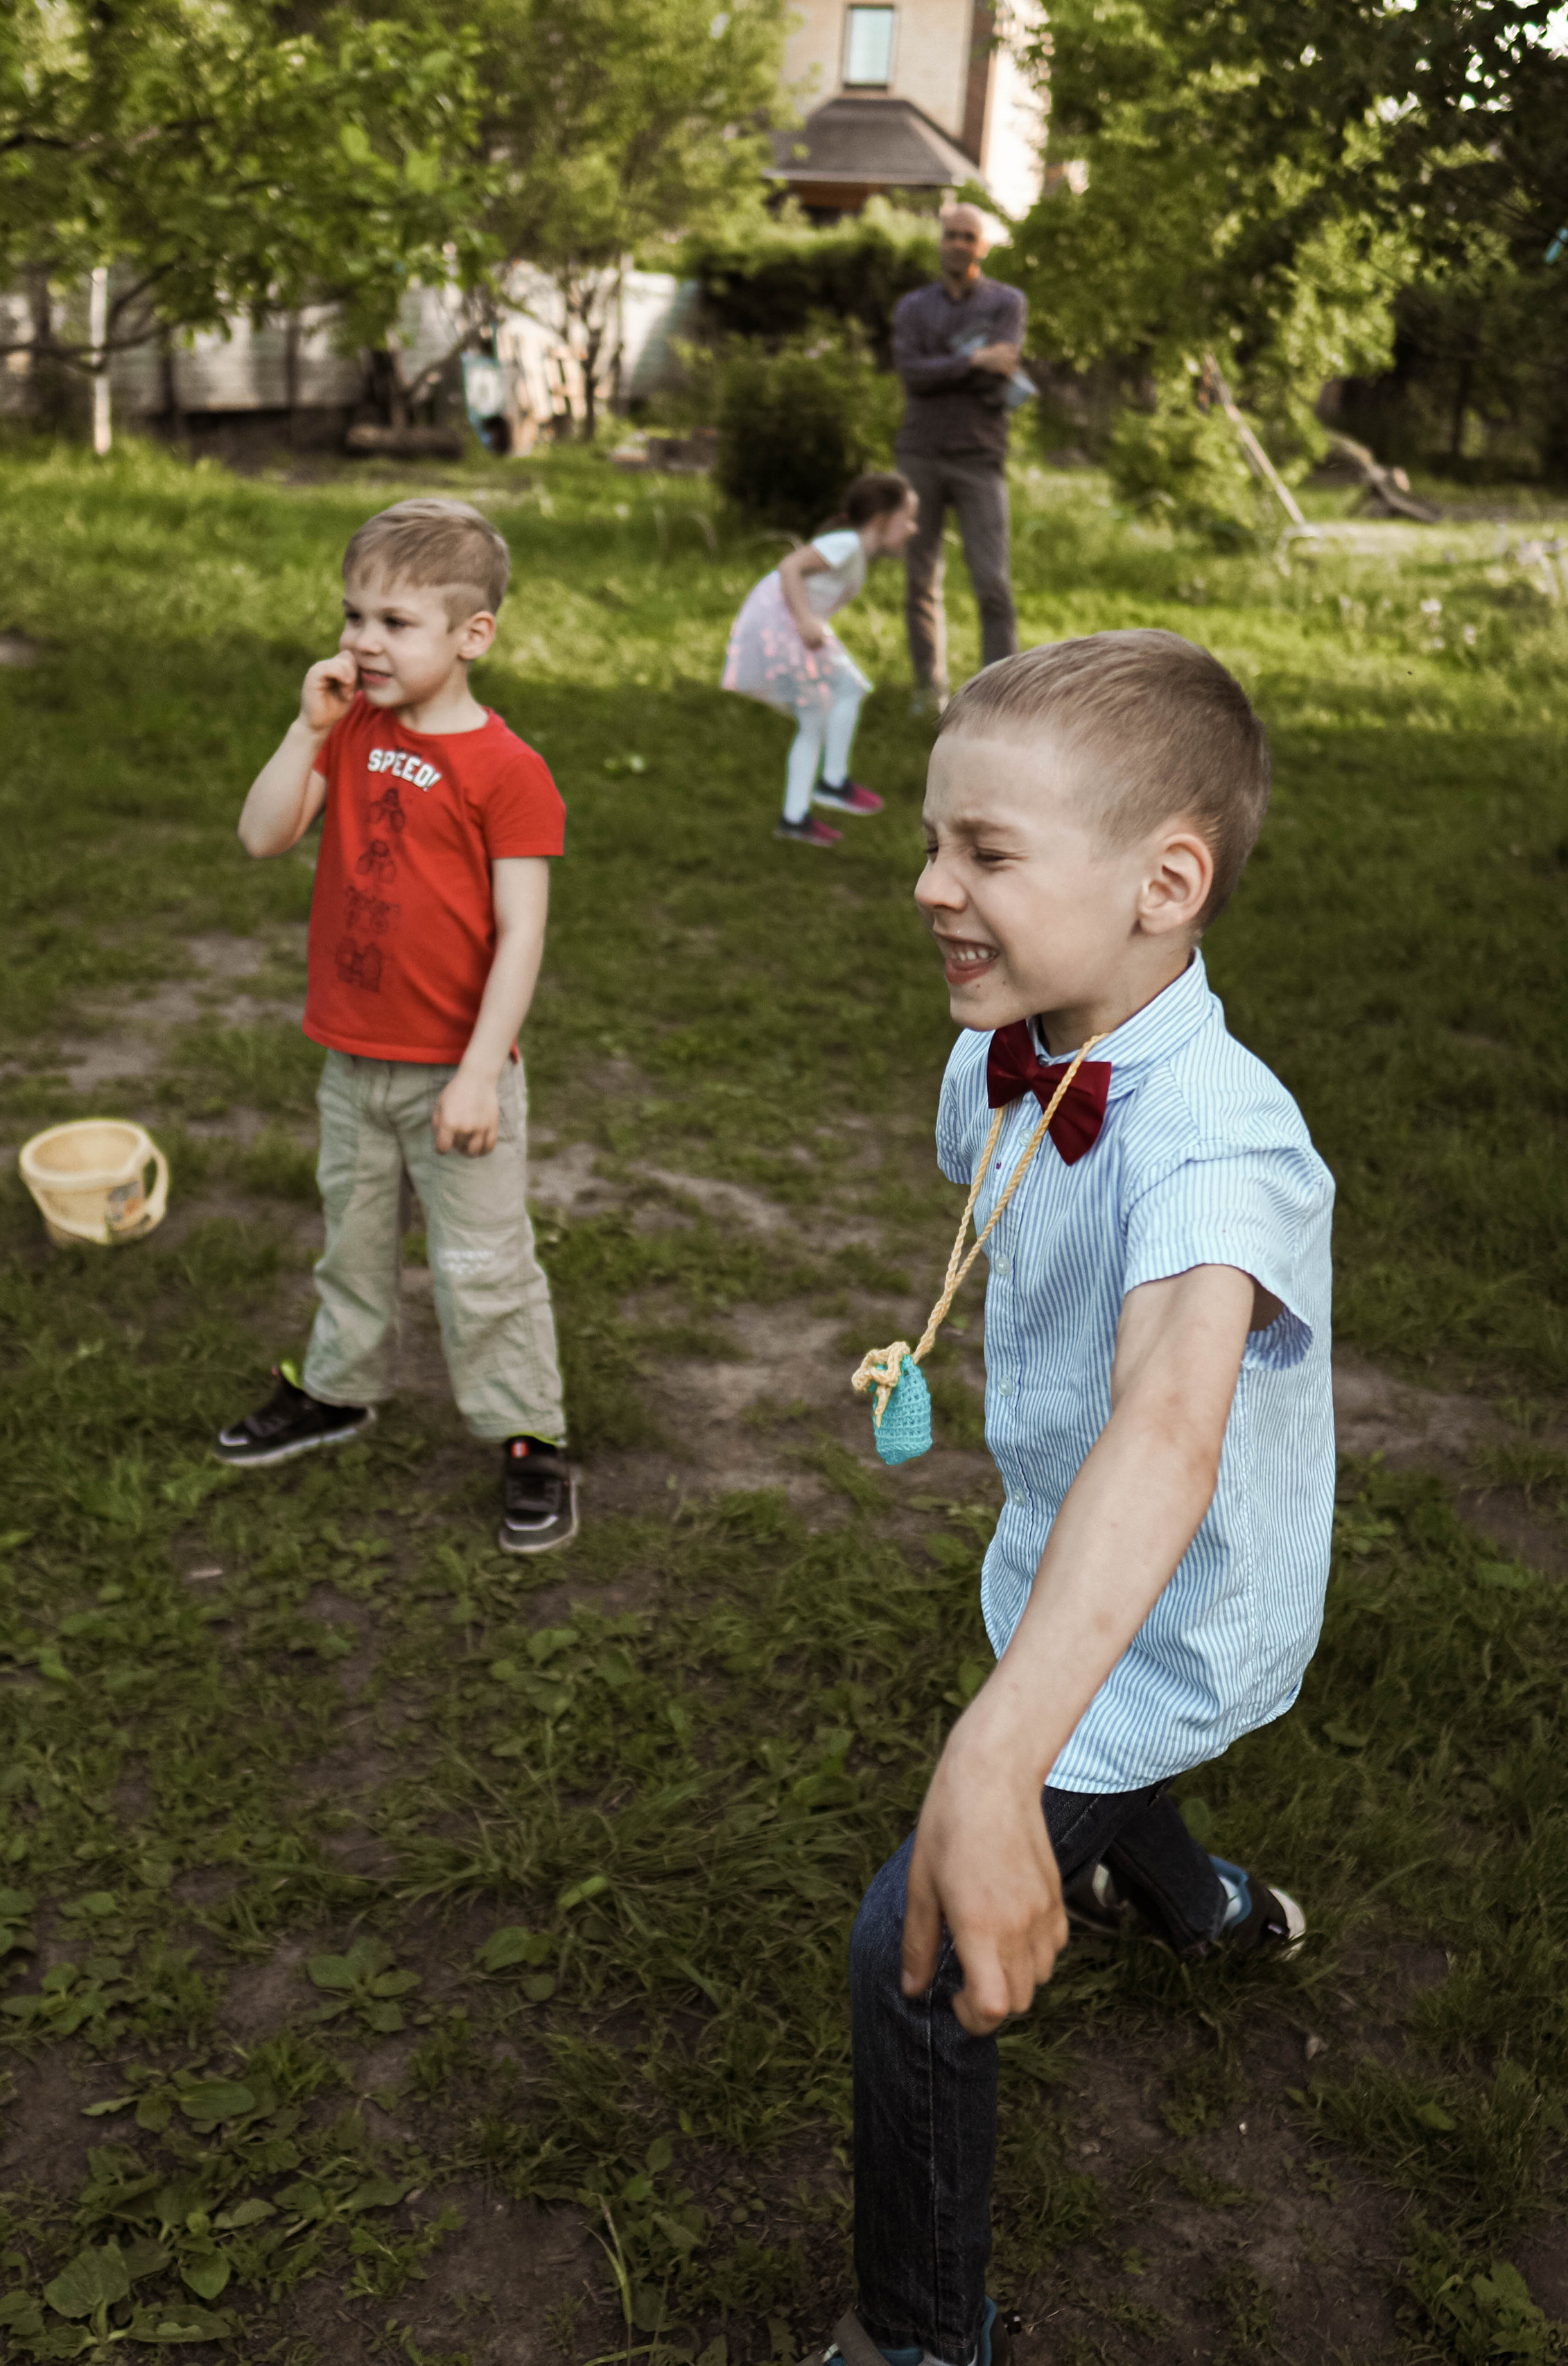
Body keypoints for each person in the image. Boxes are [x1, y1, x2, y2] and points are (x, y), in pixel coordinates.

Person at [798, 631, 1334, 2366]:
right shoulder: (1003, 1049)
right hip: (1060, 1549)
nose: (924, 885)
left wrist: (990, 1750)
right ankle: (1202, 1901)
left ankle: (920, 2335)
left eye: (984, 854)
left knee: (918, 1945)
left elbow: (1169, 1435)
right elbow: (995, 1196)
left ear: (1161, 883)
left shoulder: (1220, 1147)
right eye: (933, 840)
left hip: (1159, 1604)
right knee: (1110, 1796)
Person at [212, 498, 578, 1557]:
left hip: (454, 1076)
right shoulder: (353, 729)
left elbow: (521, 936)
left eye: (395, 622)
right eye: (352, 615)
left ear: (473, 636)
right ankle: (338, 1389)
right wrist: (306, 730)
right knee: (353, 1243)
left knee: (483, 1264)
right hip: (351, 1060)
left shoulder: (508, 772)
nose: (363, 642)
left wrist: (476, 1073)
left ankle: (528, 1436)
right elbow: (261, 836)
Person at [721, 471, 918, 849]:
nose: (913, 528)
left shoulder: (854, 551)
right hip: (783, 625)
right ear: (880, 520)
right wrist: (806, 620)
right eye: (907, 518)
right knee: (840, 695)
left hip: (790, 626)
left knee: (831, 703)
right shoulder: (846, 543)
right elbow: (789, 567)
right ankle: (828, 787)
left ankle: (800, 813)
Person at [892, 204, 1027, 710]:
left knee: (992, 582)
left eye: (968, 236)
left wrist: (946, 368)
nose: (957, 244)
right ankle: (930, 690)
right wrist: (972, 360)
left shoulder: (1007, 303)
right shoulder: (912, 308)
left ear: (983, 246)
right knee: (919, 580)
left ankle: (1000, 697)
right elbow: (911, 374)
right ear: (940, 241)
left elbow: (1004, 369)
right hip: (919, 453)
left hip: (979, 456)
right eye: (950, 235)